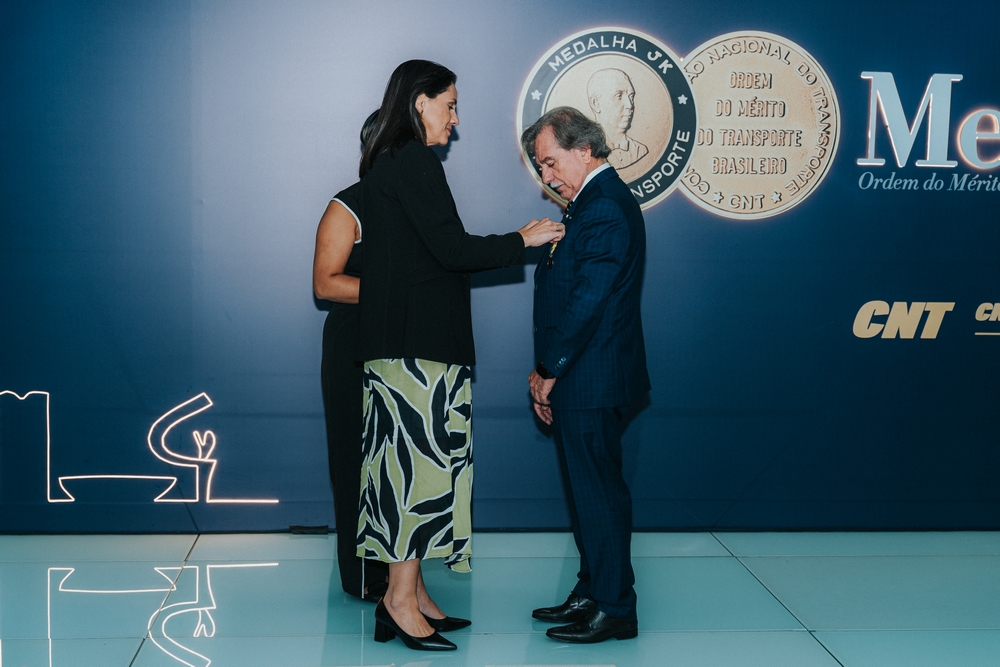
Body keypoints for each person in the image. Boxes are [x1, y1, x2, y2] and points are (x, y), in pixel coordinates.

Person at [356, 60, 565, 652]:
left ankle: (412, 594)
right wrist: (521, 240)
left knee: (413, 473)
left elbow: (424, 253)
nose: (455, 118)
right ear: (419, 102)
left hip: (405, 348)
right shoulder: (413, 159)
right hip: (415, 351)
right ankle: (399, 601)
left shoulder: (389, 160)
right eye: (449, 104)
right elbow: (451, 250)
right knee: (415, 478)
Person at [521, 106, 650, 643]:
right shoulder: (590, 204)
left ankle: (615, 608)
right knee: (587, 494)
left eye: (551, 162)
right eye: (540, 167)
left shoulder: (603, 207)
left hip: (591, 377)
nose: (546, 176)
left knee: (598, 495)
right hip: (584, 376)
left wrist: (548, 369)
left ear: (584, 149)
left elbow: (588, 301)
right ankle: (593, 590)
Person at [312, 110, 389, 603]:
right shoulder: (348, 206)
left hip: (406, 346)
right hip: (354, 348)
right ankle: (362, 576)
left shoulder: (421, 205)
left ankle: (403, 577)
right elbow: (325, 284)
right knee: (355, 460)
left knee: (400, 465)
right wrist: (396, 292)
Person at [586, 68, 648, 169]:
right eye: (619, 96)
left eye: (631, 97)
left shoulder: (640, 150)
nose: (630, 105)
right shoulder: (585, 155)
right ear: (595, 103)